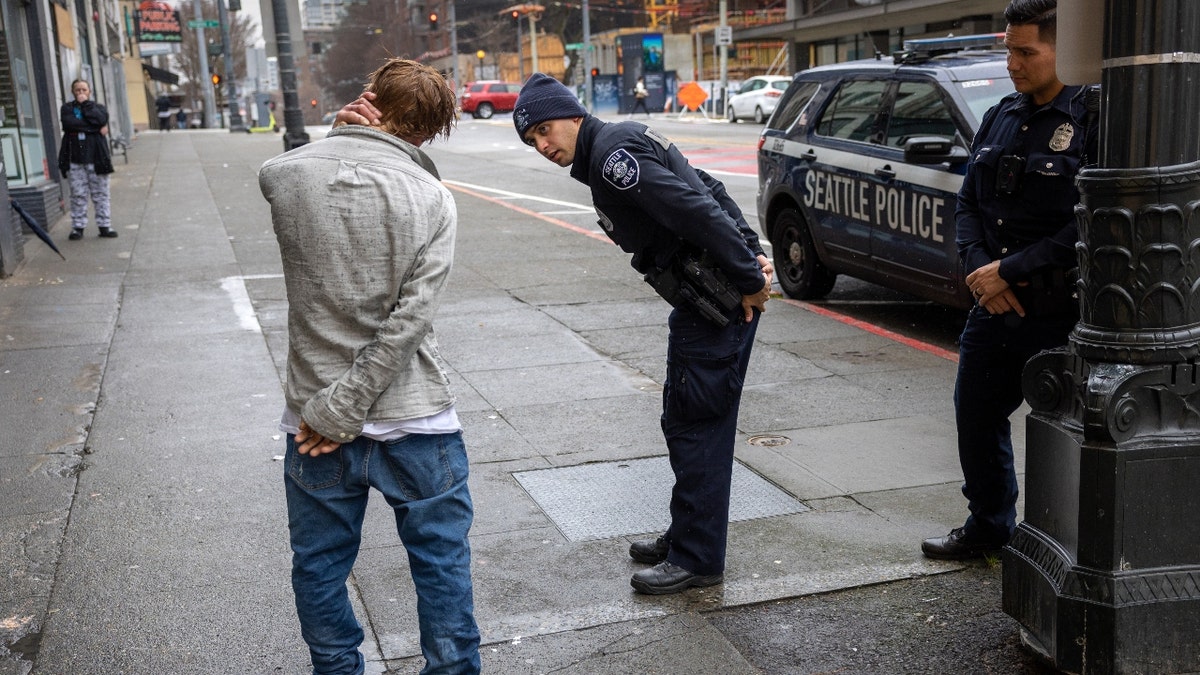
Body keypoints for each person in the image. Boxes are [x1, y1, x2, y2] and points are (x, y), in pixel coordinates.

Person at [338, 73, 773, 595]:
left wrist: (751, 276)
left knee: (696, 427)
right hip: (709, 300)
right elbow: (707, 186)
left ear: (574, 116)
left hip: (717, 306)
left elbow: (697, 208)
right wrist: (753, 252)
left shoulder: (613, 159)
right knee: (685, 419)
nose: (544, 145)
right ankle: (688, 534)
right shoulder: (613, 148)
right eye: (532, 139)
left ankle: (698, 557)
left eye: (546, 130)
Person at [258, 58, 480, 674]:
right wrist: (348, 409)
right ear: (427, 133)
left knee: (320, 566)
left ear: (368, 100)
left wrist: (338, 139)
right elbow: (409, 322)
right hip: (416, 418)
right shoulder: (433, 197)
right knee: (441, 567)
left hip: (313, 425)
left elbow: (286, 171)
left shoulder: (286, 174)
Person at [921, 0, 1097, 560]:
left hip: (1059, 312)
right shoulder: (1001, 114)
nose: (1014, 63)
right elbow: (970, 201)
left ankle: (1066, 544)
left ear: (1061, 50)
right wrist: (982, 273)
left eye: (1027, 52)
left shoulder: (1094, 118)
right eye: (1009, 50)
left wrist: (1010, 270)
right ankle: (990, 525)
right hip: (994, 306)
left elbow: (1089, 223)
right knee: (975, 416)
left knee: (1067, 435)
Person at [58, 79, 116, 240]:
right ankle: (78, 227)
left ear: (89, 91)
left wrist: (86, 106)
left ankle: (105, 226)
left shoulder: (98, 108)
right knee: (78, 195)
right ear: (73, 92)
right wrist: (95, 129)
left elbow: (100, 119)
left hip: (97, 159)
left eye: (84, 89)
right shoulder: (67, 108)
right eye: (77, 90)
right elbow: (69, 124)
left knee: (101, 194)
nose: (81, 93)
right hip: (75, 159)